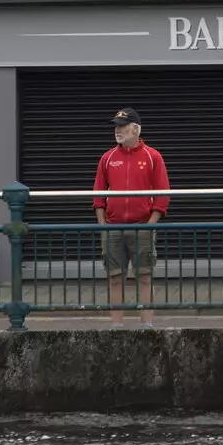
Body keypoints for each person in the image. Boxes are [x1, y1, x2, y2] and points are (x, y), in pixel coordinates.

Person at [92, 108, 169, 327]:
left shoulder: (152, 157)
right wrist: (102, 227)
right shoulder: (107, 158)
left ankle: (147, 326)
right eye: (116, 126)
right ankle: (117, 327)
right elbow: (98, 195)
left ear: (135, 129)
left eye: (122, 126)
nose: (117, 131)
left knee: (144, 277)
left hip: (141, 226)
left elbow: (163, 194)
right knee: (115, 278)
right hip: (112, 228)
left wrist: (150, 225)